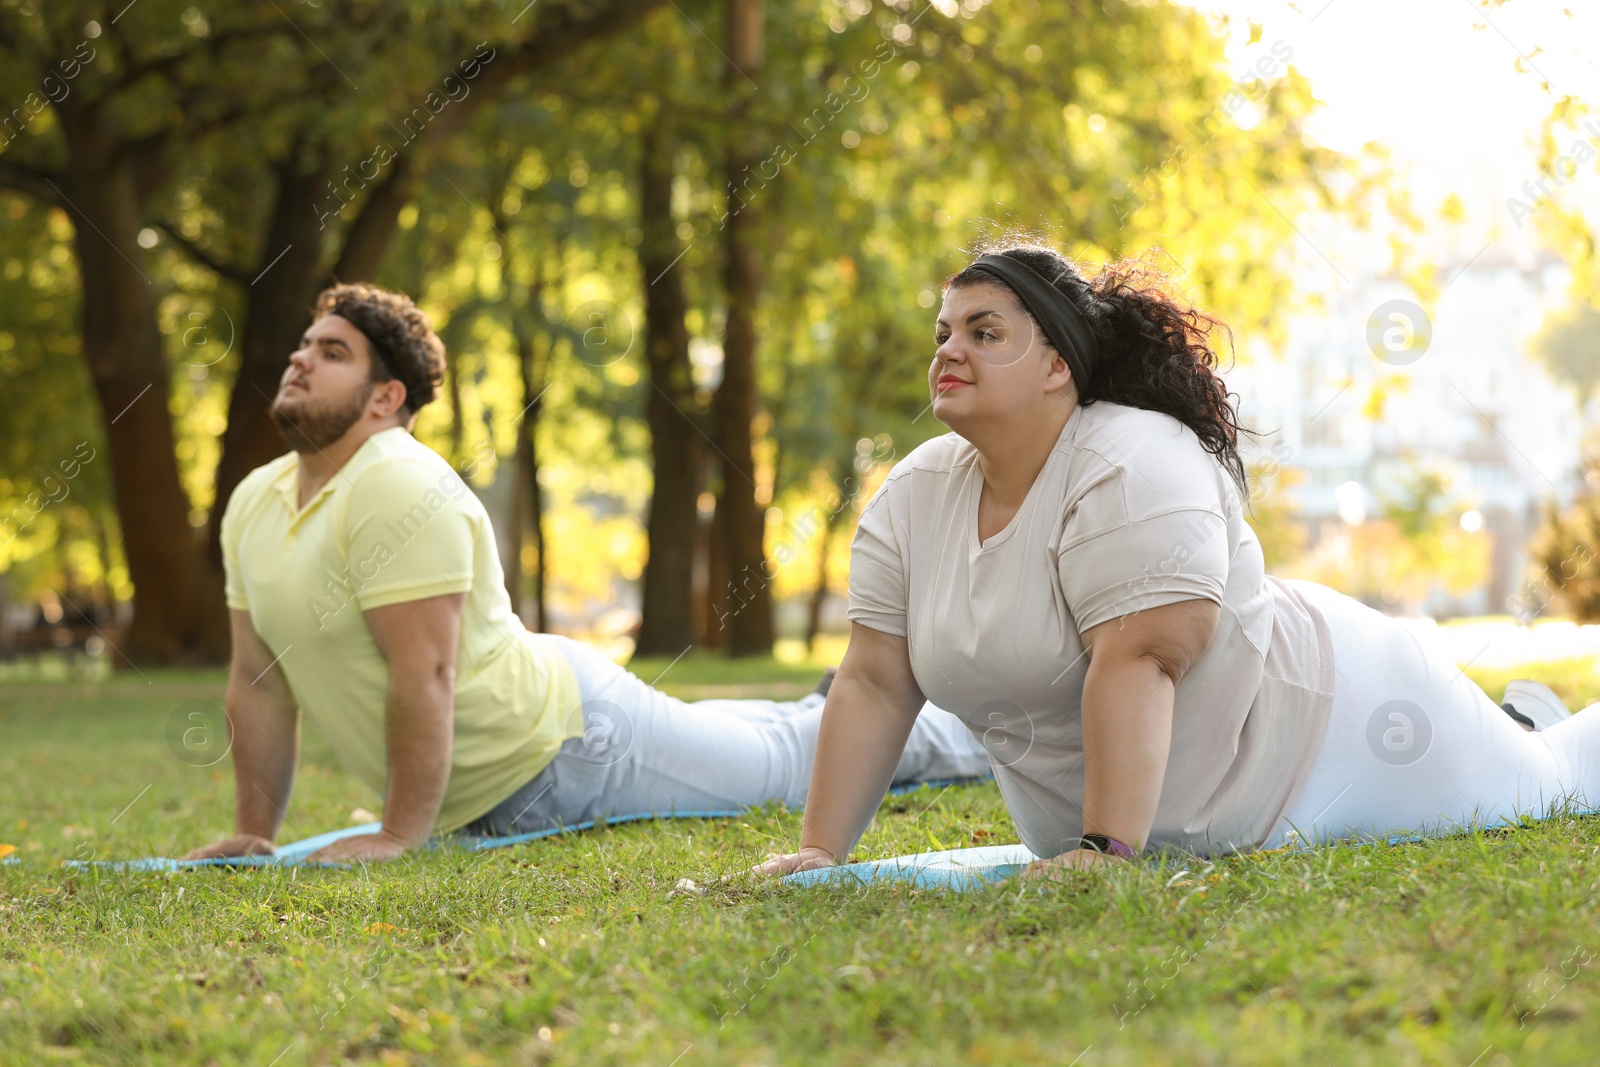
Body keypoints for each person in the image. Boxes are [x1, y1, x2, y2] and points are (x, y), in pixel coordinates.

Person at [758, 242, 1600, 881]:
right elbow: (874, 679)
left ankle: (1531, 731)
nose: (950, 349)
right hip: (1150, 827)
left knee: (1551, 779)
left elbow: (1141, 657)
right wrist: (821, 852)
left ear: (1058, 365)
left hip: (1346, 733)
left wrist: (1103, 850)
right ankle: (1528, 717)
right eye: (944, 331)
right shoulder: (914, 494)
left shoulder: (1133, 461)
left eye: (985, 332)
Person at [182, 283, 990, 865]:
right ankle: (821, 704)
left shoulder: (393, 479)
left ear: (385, 397)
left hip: (566, 751)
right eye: (302, 346)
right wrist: (257, 832)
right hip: (540, 731)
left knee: (787, 762)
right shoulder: (257, 498)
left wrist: (398, 835)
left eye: (332, 353)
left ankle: (995, 733)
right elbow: (256, 679)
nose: (298, 360)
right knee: (768, 736)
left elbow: (422, 669)